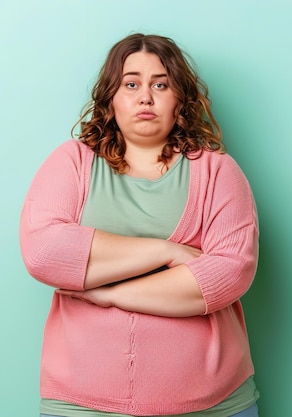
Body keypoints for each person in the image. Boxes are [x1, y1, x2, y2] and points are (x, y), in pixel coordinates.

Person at [19, 34, 260, 417]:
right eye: (131, 84)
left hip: (213, 404)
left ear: (180, 98)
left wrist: (110, 293)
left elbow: (230, 273)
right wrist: (165, 251)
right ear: (111, 98)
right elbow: (45, 252)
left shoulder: (217, 171)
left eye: (160, 84)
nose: (145, 97)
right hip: (82, 405)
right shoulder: (72, 163)